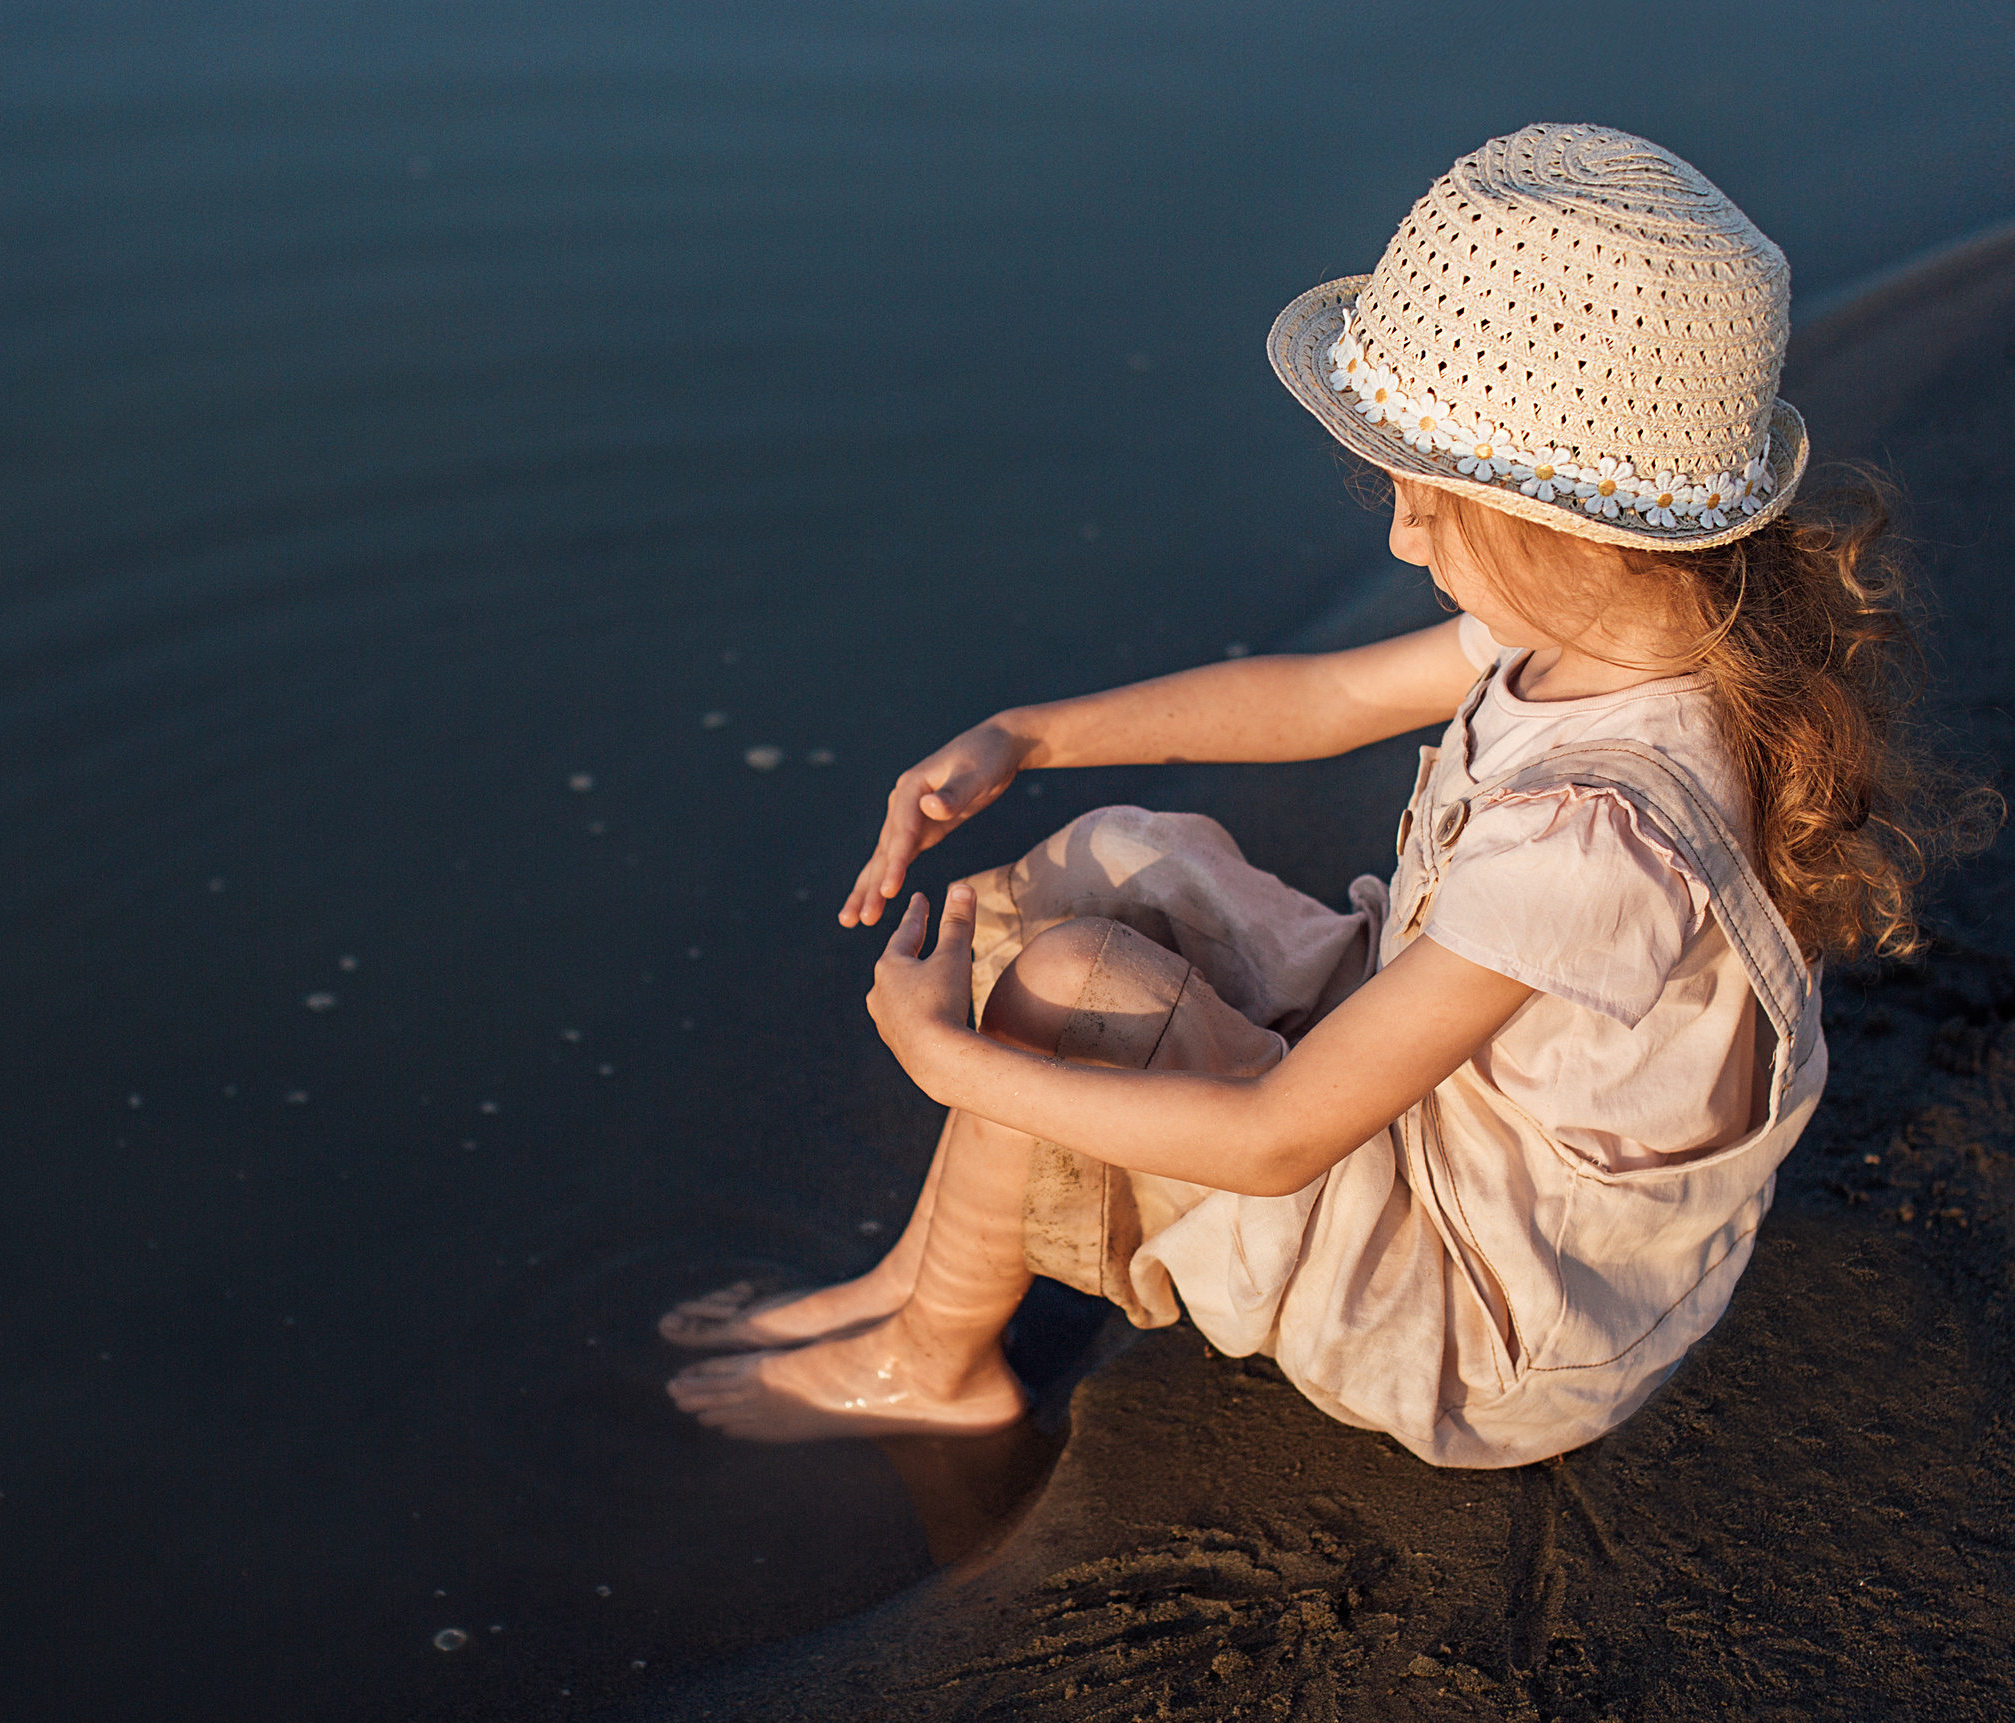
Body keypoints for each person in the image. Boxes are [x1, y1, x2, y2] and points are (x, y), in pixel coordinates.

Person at [660, 123, 1992, 1468]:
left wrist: (942, 1056)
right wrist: (1030, 736)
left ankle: (933, 1359)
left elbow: (1278, 1139)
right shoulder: (1627, 623)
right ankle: (920, 1279)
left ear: (1575, 534)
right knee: (1126, 855)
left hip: (1489, 1319)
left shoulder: (1602, 830)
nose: (1403, 536)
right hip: (1449, 1108)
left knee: (1076, 979)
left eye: (1435, 503)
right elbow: (1328, 700)